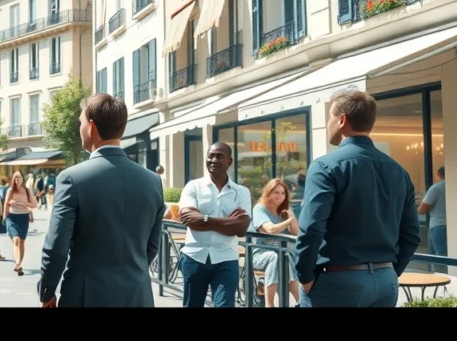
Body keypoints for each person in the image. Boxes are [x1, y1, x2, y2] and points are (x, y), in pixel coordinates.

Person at [38, 94, 166, 307]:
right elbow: (152, 246)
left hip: (86, 295)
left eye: (80, 122)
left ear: (91, 126)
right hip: (138, 294)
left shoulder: (71, 178)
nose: (79, 128)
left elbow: (57, 247)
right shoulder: (153, 181)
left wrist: (47, 291)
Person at [295, 90, 420, 308]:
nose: (328, 124)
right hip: (385, 283)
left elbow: (312, 228)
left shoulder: (325, 166)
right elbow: (411, 235)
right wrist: (389, 272)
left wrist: (305, 277)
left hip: (338, 282)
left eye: (329, 118)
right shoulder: (399, 171)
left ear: (342, 120)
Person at [177, 142, 251, 308]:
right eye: (210, 156)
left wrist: (203, 219)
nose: (213, 160)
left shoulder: (241, 192)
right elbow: (189, 219)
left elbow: (241, 228)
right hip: (194, 257)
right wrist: (227, 222)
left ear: (230, 161)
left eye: (219, 156)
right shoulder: (193, 187)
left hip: (226, 259)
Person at [250, 178, 301, 307]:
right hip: (259, 253)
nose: (280, 196)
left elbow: (295, 232)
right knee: (276, 257)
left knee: (285, 256)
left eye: (283, 193)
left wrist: (291, 218)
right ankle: (270, 304)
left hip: (281, 253)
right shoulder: (259, 208)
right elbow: (270, 229)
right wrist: (289, 220)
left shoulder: (285, 209)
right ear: (268, 193)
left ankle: (300, 301)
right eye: (276, 192)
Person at [2, 170, 37, 276]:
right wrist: (4, 217)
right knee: (16, 240)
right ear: (13, 179)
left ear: (23, 178)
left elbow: (34, 205)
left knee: (21, 241)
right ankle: (17, 263)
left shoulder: (27, 191)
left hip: (24, 217)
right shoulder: (10, 190)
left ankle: (19, 264)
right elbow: (6, 204)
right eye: (16, 177)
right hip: (12, 217)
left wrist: (22, 203)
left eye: (19, 177)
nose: (18, 179)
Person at [420, 166, 446, 260]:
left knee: (440, 258)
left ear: (439, 174)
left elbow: (422, 210)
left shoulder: (436, 188)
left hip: (438, 225)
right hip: (450, 226)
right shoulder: (453, 186)